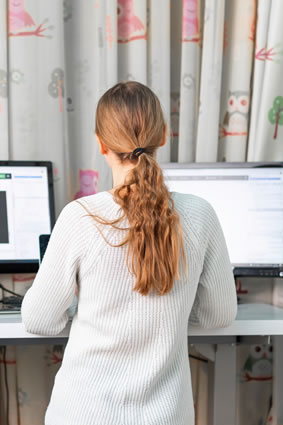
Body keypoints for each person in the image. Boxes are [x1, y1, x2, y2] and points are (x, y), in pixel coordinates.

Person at [21, 81, 237, 425]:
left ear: (101, 143)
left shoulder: (81, 216)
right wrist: (172, 312)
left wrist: (83, 309)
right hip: (166, 417)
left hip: (83, 414)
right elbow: (219, 315)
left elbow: (39, 320)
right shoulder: (200, 215)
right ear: (163, 136)